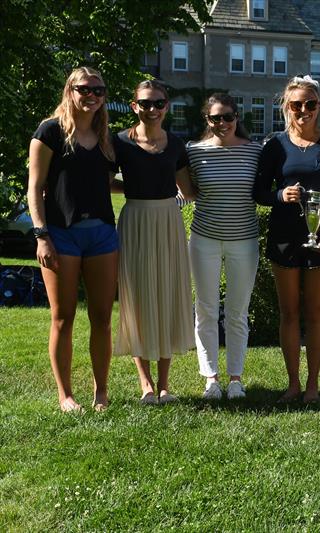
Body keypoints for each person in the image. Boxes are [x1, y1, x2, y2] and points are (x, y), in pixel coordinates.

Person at [27, 66, 118, 412]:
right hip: (60, 235)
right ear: (70, 91)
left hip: (102, 237)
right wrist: (41, 236)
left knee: (102, 318)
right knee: (63, 318)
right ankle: (65, 395)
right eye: (85, 89)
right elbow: (35, 188)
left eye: (98, 90)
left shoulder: (106, 136)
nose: (92, 95)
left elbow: (105, 183)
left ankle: (101, 392)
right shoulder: (49, 132)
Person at [254, 76, 320, 404]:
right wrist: (280, 194)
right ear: (286, 108)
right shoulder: (275, 145)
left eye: (310, 104)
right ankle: (293, 384)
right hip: (283, 236)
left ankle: (313, 387)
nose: (303, 110)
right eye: (296, 105)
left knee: (315, 312)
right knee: (289, 312)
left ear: (319, 106)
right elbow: (259, 192)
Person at [112, 80, 196, 405]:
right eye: (145, 103)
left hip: (167, 221)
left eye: (158, 103)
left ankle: (164, 385)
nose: (152, 109)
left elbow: (188, 191)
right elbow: (106, 181)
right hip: (135, 220)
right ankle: (145, 383)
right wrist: (135, 187)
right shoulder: (119, 142)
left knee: (166, 295)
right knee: (138, 298)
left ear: (167, 106)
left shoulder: (175, 144)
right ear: (135, 106)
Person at [187, 93, 261, 400]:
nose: (223, 123)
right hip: (204, 238)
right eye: (215, 118)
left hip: (244, 240)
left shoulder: (255, 151)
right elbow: (185, 192)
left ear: (237, 118)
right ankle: (211, 379)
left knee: (237, 311)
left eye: (228, 117)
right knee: (205, 308)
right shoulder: (193, 151)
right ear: (207, 120)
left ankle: (235, 380)